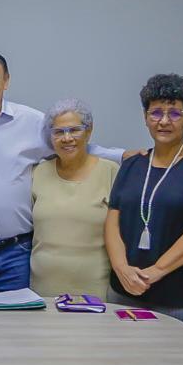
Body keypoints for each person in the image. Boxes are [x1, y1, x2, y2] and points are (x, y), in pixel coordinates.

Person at [0, 49, 125, 294]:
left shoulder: (31, 121)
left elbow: (72, 144)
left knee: (18, 328)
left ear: (6, 81)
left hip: (16, 254)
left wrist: (123, 155)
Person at [104, 76, 183, 335]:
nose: (164, 121)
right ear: (145, 117)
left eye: (175, 113)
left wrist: (156, 271)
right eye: (156, 112)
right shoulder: (134, 164)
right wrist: (121, 268)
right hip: (125, 293)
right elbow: (113, 219)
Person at [29, 98, 118, 298]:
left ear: (89, 131)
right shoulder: (38, 173)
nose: (67, 138)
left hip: (96, 289)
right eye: (58, 132)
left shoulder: (110, 172)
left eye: (74, 130)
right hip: (43, 289)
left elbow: (122, 233)